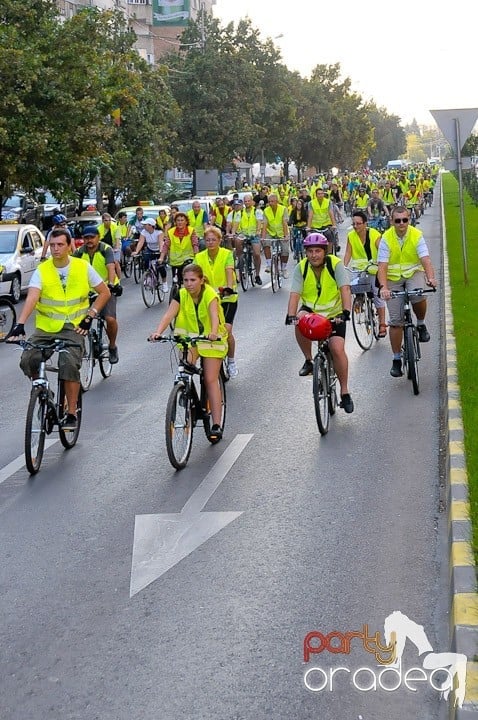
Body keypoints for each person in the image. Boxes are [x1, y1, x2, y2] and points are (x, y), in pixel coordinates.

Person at [6, 229, 110, 429]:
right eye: (52, 245)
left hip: (74, 327)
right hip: (46, 328)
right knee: (28, 360)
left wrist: (90, 316)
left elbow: (104, 292)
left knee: (69, 365)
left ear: (70, 246)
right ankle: (42, 388)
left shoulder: (82, 267)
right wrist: (20, 323)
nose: (55, 249)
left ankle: (71, 413)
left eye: (60, 245)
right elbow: (33, 296)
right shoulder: (43, 270)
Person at [149, 263, 228, 442]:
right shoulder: (181, 294)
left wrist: (213, 332)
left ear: (201, 280)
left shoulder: (210, 294)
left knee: (210, 379)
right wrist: (158, 332)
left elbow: (214, 316)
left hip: (211, 341)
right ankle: (185, 393)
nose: (189, 284)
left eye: (193, 280)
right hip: (189, 340)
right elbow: (169, 315)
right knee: (184, 370)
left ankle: (216, 422)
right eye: (185, 280)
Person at [285, 233, 354, 413]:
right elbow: (294, 294)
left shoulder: (335, 265)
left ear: (325, 252)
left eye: (317, 251)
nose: (314, 255)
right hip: (312, 311)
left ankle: (345, 392)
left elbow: (345, 289)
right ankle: (308, 360)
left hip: (334, 313)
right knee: (298, 320)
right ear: (305, 253)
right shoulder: (301, 268)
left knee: (337, 349)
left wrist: (346, 312)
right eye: (310, 251)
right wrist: (290, 315)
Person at [377, 206, 438, 378]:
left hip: (413, 272)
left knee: (417, 294)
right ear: (392, 222)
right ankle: (396, 359)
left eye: (405, 220)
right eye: (398, 220)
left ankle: (420, 323)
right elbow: (382, 266)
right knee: (396, 321)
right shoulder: (386, 238)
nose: (402, 223)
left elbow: (425, 259)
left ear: (409, 220)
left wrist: (430, 278)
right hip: (393, 278)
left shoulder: (416, 235)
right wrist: (384, 288)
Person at [73, 225, 121, 364]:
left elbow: (110, 267)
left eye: (92, 237)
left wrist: (111, 284)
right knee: (77, 321)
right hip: (87, 291)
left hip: (106, 289)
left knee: (110, 319)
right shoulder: (79, 253)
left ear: (98, 238)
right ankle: (81, 348)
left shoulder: (106, 249)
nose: (89, 240)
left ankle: (112, 346)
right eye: (86, 238)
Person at [195, 225, 238, 377]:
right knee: (209, 329)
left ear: (220, 240)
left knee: (226, 330)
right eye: (208, 240)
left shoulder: (227, 254)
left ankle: (231, 361)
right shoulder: (199, 257)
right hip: (208, 298)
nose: (211, 242)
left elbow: (229, 270)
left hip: (227, 297)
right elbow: (197, 275)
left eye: (213, 240)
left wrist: (228, 286)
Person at [343, 210, 388, 338]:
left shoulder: (374, 234)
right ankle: (359, 301)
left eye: (358, 224)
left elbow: (382, 250)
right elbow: (348, 253)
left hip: (373, 269)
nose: (356, 226)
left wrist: (382, 265)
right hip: (358, 269)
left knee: (377, 294)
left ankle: (382, 324)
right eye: (354, 224)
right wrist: (344, 266)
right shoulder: (351, 236)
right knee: (355, 286)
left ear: (365, 224)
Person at [158, 211, 198, 287]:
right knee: (175, 282)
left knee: (187, 280)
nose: (180, 222)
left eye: (182, 220)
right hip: (175, 261)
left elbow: (195, 244)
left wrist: (197, 257)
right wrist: (161, 258)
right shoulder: (171, 232)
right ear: (175, 222)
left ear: (186, 222)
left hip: (188, 259)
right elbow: (166, 245)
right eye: (178, 220)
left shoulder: (191, 230)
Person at [232, 193, 263, 284]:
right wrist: (233, 232)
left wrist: (257, 231)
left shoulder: (257, 211)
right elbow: (236, 224)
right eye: (245, 201)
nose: (247, 203)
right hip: (244, 234)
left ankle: (257, 275)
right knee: (237, 240)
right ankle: (240, 258)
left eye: (249, 201)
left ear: (252, 202)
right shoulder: (240, 213)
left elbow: (259, 222)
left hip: (254, 235)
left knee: (257, 254)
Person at [133, 217, 168, 292]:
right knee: (145, 260)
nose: (144, 226)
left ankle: (164, 283)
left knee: (160, 266)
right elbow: (141, 242)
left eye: (145, 225)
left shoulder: (159, 232)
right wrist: (136, 251)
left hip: (159, 249)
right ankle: (148, 276)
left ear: (151, 226)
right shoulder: (144, 232)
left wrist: (161, 253)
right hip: (150, 249)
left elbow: (161, 242)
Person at [261, 193, 290, 278]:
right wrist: (263, 237)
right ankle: (269, 264)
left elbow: (284, 223)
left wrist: (285, 236)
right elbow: (265, 224)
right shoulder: (266, 210)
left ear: (277, 201)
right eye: (269, 201)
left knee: (285, 251)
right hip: (271, 232)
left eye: (272, 201)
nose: (271, 203)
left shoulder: (283, 209)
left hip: (282, 232)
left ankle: (284, 268)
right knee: (266, 243)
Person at [306, 187, 337, 253]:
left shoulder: (328, 202)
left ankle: (329, 254)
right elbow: (310, 215)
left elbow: (331, 213)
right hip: (315, 226)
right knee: (313, 240)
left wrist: (334, 225)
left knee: (329, 236)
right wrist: (308, 227)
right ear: (316, 195)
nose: (320, 195)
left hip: (326, 224)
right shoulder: (311, 203)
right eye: (319, 194)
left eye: (322, 193)